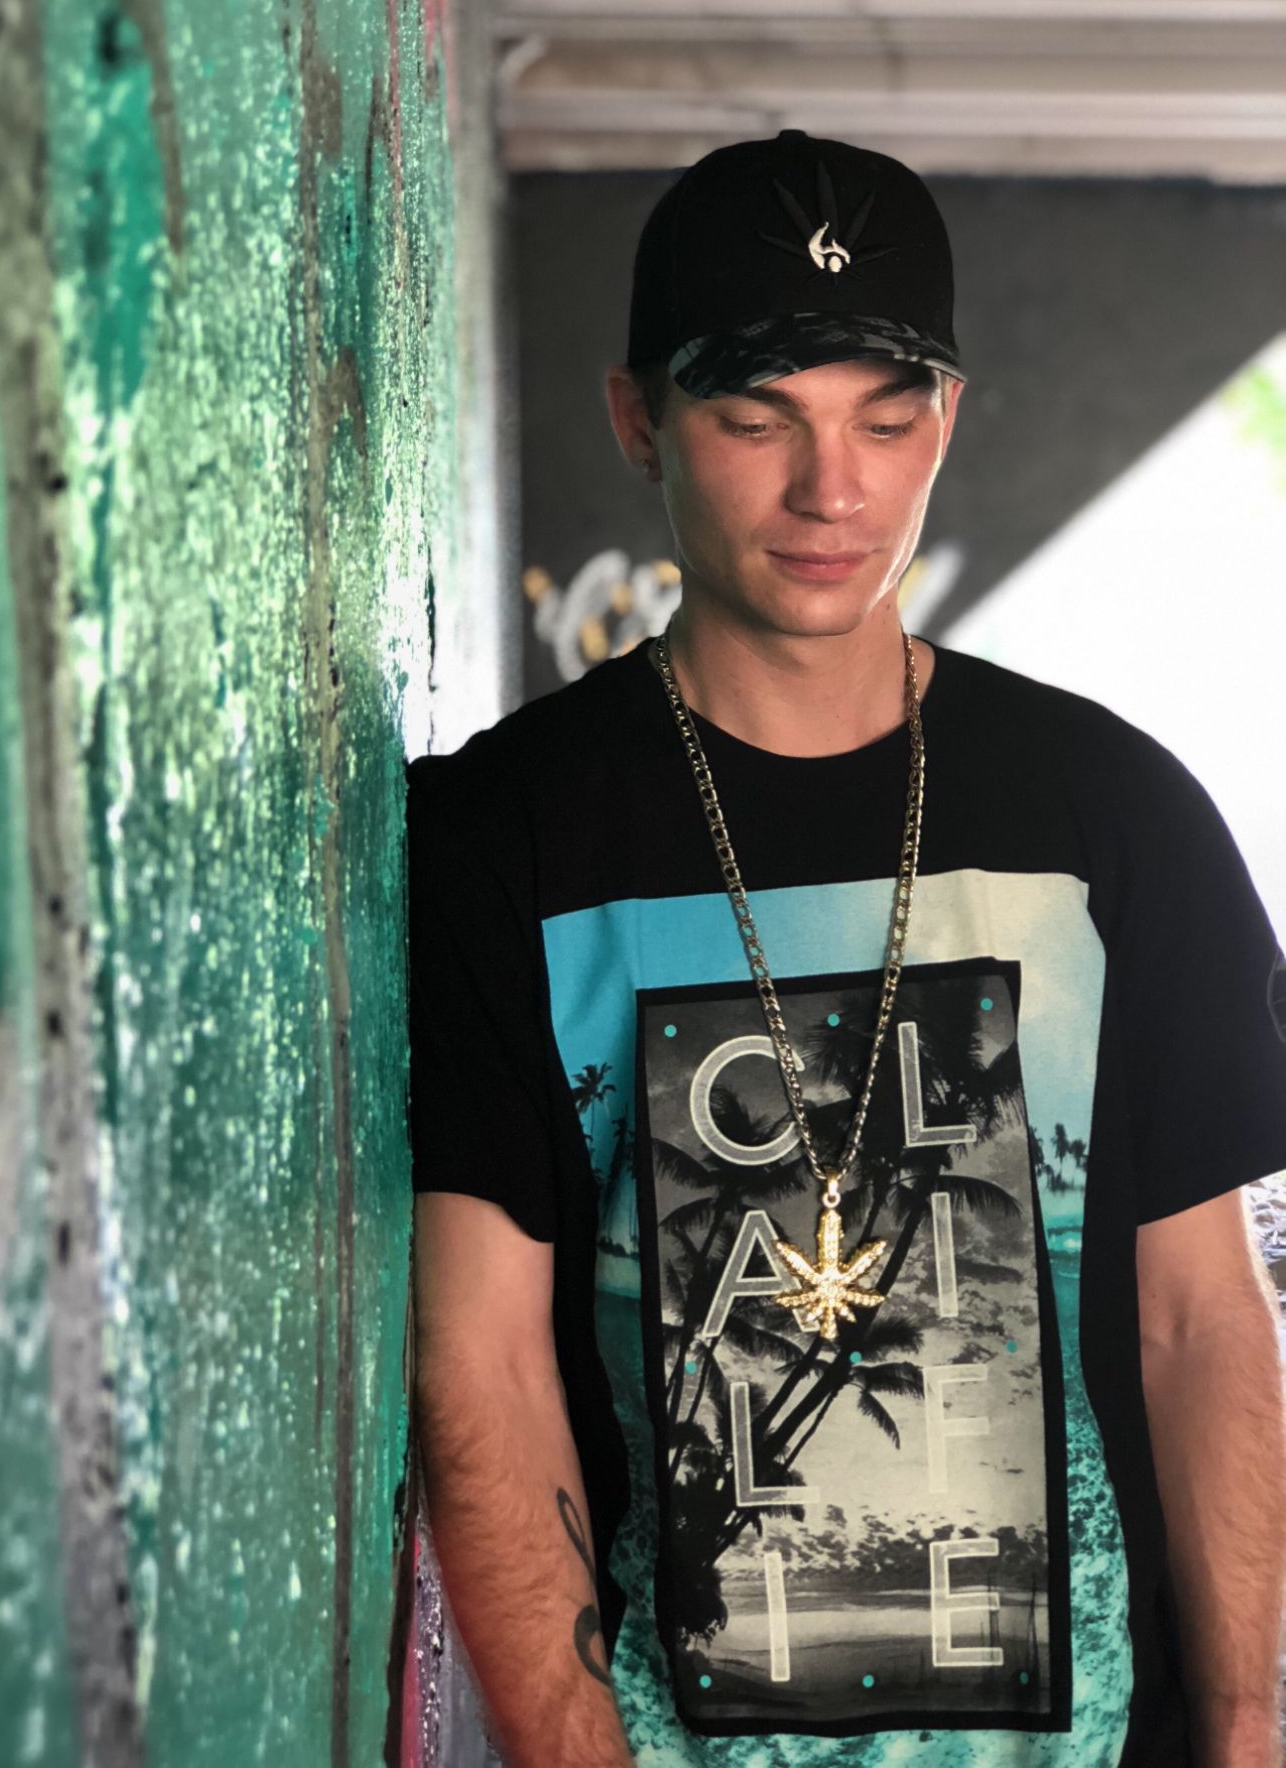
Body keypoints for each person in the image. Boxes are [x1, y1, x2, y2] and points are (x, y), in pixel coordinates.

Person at [407, 129, 1286, 1767]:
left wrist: (1243, 1730)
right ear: (638, 419)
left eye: (887, 420)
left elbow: (1200, 1321)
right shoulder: (499, 838)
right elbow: (480, 1360)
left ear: (945, 420)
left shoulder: (1115, 816)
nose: (833, 490)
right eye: (758, 421)